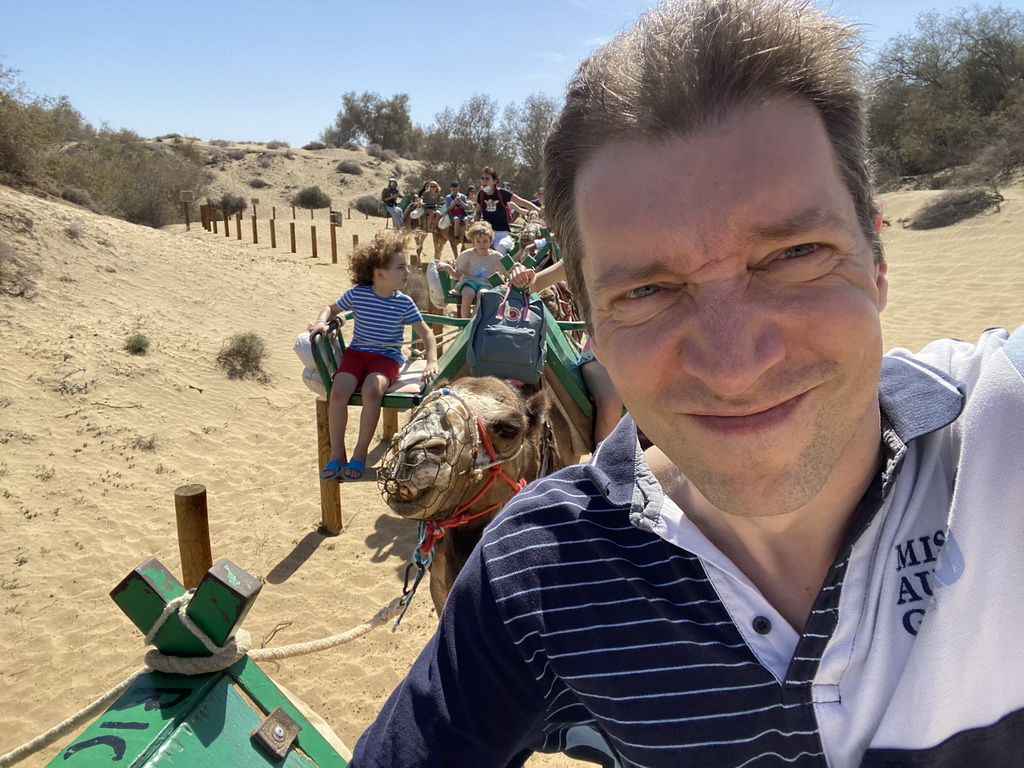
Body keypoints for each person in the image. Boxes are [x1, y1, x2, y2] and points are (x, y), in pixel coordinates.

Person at [352, 0, 1024, 765]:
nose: (735, 366)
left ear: (876, 258)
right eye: (645, 291)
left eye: (795, 252)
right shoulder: (535, 577)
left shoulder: (1006, 428)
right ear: (592, 317)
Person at [310, 230, 437, 481]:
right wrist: (321, 322)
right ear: (379, 274)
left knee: (372, 389)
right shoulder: (358, 295)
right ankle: (337, 454)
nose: (407, 272)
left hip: (386, 357)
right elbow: (330, 308)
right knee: (338, 389)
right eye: (400, 268)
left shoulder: (404, 303)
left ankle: (359, 454)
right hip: (357, 353)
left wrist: (431, 361)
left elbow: (426, 334)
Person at [509, 260, 623, 443]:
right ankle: (605, 467)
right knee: (610, 402)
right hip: (602, 351)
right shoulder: (582, 253)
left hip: (648, 347)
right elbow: (534, 284)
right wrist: (521, 275)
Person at [436, 220, 507, 318]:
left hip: (485, 283)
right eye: (478, 241)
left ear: (490, 241)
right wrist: (448, 268)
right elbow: (457, 275)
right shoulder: (467, 255)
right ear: (473, 242)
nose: (482, 244)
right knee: (468, 293)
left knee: (483, 295)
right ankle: (465, 321)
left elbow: (506, 272)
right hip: (469, 281)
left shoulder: (496, 256)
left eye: (485, 241)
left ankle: (474, 321)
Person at [474, 166, 539, 253]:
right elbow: (478, 211)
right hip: (487, 233)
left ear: (494, 181)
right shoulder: (481, 194)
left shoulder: (502, 193)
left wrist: (538, 209)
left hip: (502, 233)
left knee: (500, 247)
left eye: (487, 178)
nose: (484, 181)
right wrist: (476, 222)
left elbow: (522, 202)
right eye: (482, 178)